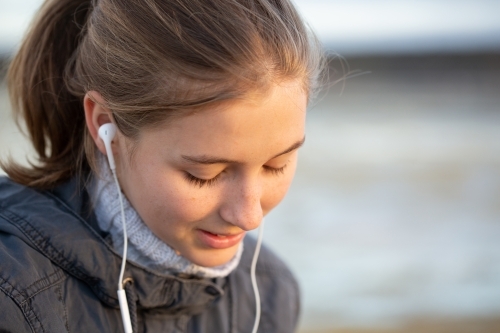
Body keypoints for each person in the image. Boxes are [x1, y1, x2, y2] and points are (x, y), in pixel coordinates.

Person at [0, 0, 323, 332]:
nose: (249, 217)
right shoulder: (13, 298)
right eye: (204, 175)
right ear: (105, 127)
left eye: (276, 165)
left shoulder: (270, 293)